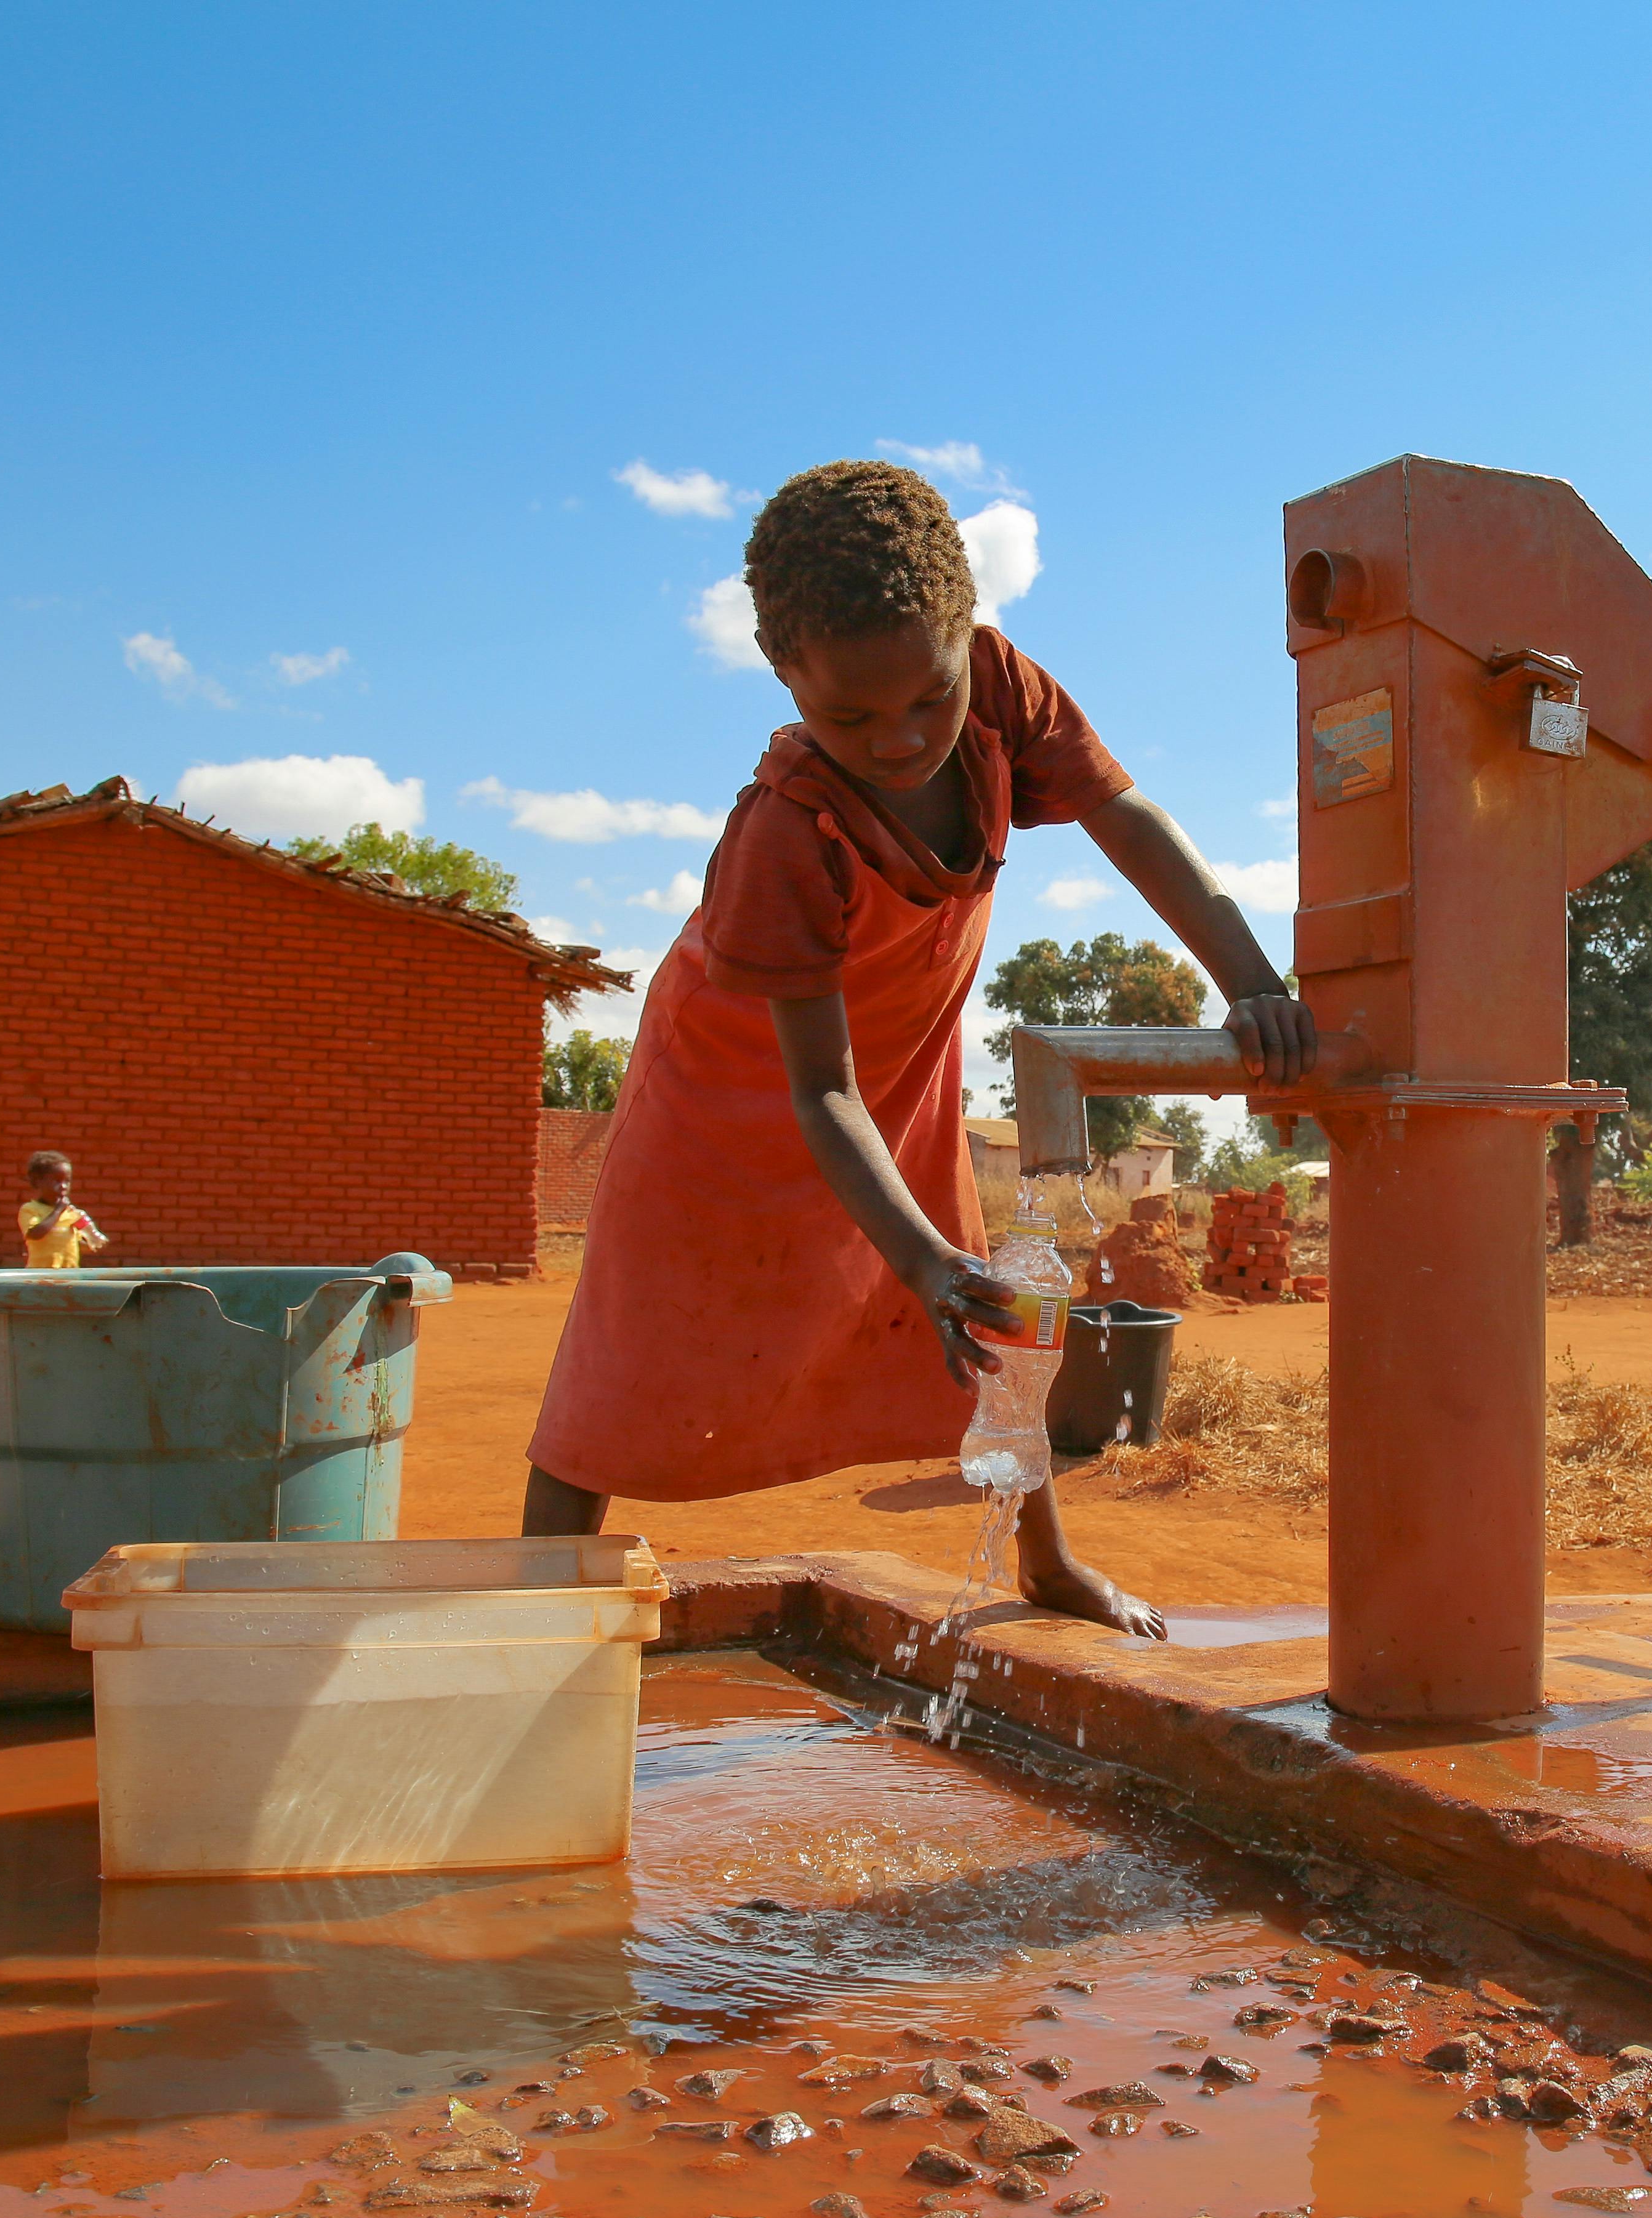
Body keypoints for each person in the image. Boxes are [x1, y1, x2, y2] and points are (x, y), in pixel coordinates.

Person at [524, 461, 1315, 1635]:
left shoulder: (999, 693)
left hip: (898, 1077)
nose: (900, 739)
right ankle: (532, 1607)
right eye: (851, 718)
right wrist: (922, 1262)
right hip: (727, 1099)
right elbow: (818, 1088)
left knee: (991, 1311)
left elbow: (1126, 819)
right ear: (784, 672)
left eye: (927, 700)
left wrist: (1251, 983)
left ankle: (1046, 1565)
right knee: (632, 1353)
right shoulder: (788, 830)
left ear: (965, 638)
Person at [19, 1151, 108, 1269]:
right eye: (57, 1181)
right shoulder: (30, 1209)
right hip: (41, 1274)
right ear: (37, 1182)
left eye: (67, 1181)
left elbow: (76, 1243)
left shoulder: (71, 1213)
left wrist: (92, 1241)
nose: (63, 1186)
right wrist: (58, 1211)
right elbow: (35, 1234)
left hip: (69, 1274)